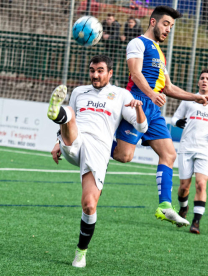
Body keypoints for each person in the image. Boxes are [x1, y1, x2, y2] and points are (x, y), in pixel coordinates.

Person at [111, 6, 208, 227]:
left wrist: (195, 97)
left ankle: (164, 205)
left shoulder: (160, 52)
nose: (168, 30)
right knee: (124, 156)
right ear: (153, 22)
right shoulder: (138, 43)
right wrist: (150, 94)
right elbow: (135, 73)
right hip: (137, 101)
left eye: (171, 27)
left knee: (169, 154)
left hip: (154, 108)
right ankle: (97, 139)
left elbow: (169, 87)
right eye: (166, 24)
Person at [48, 55, 148, 268]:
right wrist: (58, 141)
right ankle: (57, 112)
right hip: (75, 140)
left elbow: (142, 128)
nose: (95, 75)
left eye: (100, 70)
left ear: (110, 73)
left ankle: (81, 252)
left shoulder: (121, 95)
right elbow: (69, 125)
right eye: (92, 70)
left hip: (99, 149)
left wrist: (138, 108)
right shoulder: (79, 92)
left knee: (89, 205)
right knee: (71, 113)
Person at [171, 69, 208, 234]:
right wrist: (178, 122)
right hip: (186, 148)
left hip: (205, 149)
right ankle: (184, 207)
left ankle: (196, 222)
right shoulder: (189, 101)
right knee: (184, 187)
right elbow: (174, 118)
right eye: (202, 78)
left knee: (201, 184)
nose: (204, 81)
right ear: (198, 82)